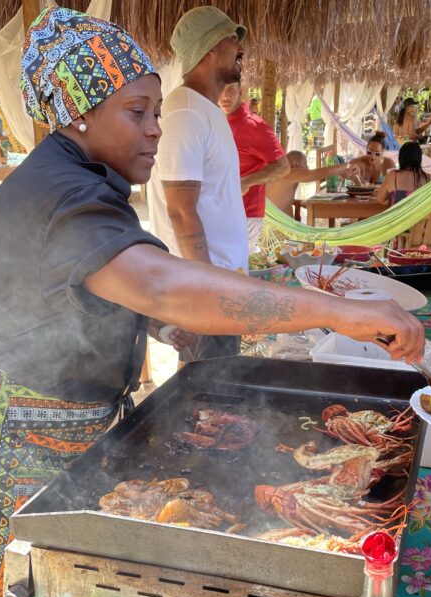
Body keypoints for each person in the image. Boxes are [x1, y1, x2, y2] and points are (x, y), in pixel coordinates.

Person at [0, 7, 426, 597]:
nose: (156, 128)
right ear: (81, 113)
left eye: (156, 111)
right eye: (138, 112)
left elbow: (105, 294)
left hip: (54, 412)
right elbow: (155, 285)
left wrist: (174, 330)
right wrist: (334, 313)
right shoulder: (62, 191)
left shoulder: (90, 181)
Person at [148, 6, 249, 362]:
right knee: (210, 403)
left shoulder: (204, 110)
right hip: (207, 292)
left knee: (217, 401)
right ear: (208, 49)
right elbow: (181, 211)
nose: (241, 45)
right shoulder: (185, 112)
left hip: (219, 287)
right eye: (231, 38)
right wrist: (209, 291)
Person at [219, 82, 289, 253]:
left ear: (241, 92)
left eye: (231, 90)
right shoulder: (216, 121)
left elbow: (283, 166)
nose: (225, 96)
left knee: (240, 264)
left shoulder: (253, 125)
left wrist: (247, 181)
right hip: (219, 209)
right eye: (221, 90)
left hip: (246, 212)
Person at [266, 150, 350, 214]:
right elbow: (314, 174)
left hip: (279, 223)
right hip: (278, 228)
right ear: (296, 164)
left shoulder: (281, 173)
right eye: (305, 164)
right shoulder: (290, 173)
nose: (307, 167)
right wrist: (345, 166)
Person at [375, 141, 429, 206]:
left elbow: (380, 199)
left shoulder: (393, 176)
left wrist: (395, 200)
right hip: (420, 215)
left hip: (397, 215)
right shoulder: (428, 178)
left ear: (400, 158)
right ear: (419, 158)